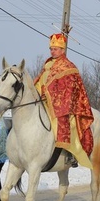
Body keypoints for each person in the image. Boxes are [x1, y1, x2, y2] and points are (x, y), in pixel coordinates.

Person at [35, 33, 95, 169]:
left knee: (64, 122)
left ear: (62, 50)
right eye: (51, 48)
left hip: (63, 105)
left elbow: (70, 88)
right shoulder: (47, 65)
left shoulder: (68, 66)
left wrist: (56, 99)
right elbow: (39, 82)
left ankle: (70, 154)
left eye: (55, 49)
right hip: (43, 102)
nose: (52, 51)